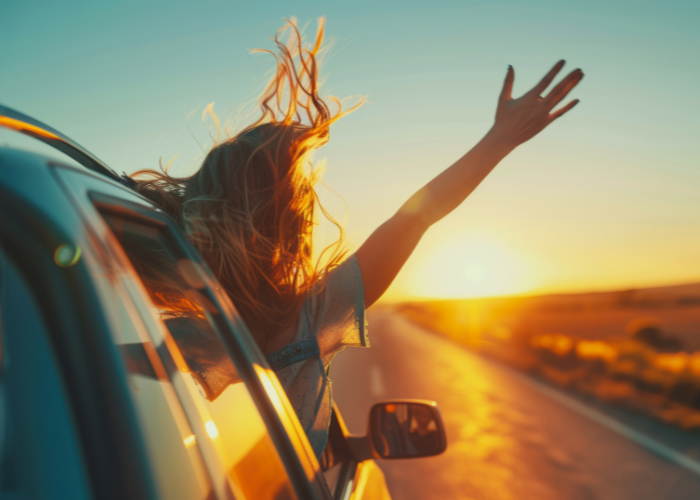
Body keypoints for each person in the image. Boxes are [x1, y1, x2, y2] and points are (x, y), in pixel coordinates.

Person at [131, 18, 583, 457]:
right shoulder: (316, 313)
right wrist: (499, 140)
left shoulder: (186, 339)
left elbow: (78, 364)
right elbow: (413, 218)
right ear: (286, 230)